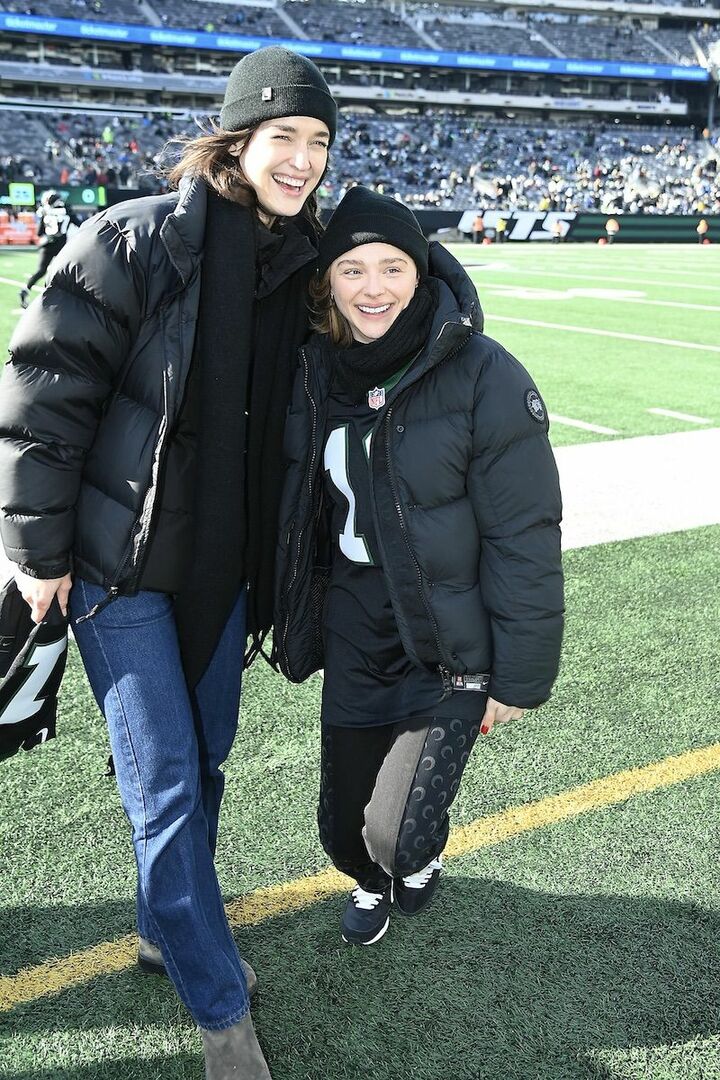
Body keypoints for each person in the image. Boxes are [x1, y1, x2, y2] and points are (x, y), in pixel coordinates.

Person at [0, 45, 337, 1079]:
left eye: (319, 141)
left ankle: (160, 930)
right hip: (120, 567)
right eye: (284, 136)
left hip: (223, 568)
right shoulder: (136, 238)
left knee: (207, 763)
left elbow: (402, 300)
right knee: (167, 790)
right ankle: (220, 1011)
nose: (303, 159)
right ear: (237, 139)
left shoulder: (304, 262)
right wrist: (36, 551)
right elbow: (44, 392)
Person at [275, 188, 563, 946]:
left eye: (393, 267)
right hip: (357, 629)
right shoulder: (313, 373)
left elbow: (524, 534)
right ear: (328, 284)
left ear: (422, 273)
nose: (373, 288)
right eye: (353, 270)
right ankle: (370, 878)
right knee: (341, 831)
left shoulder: (484, 373)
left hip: (446, 641)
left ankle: (413, 858)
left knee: (398, 835)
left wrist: (518, 677)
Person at [18, 189, 79, 308]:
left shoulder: (46, 212)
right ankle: (67, 297)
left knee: (41, 271)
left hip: (47, 245)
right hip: (61, 246)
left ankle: (26, 289)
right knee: (68, 271)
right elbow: (80, 224)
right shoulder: (66, 211)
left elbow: (39, 232)